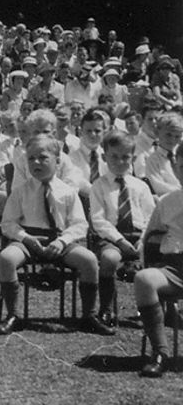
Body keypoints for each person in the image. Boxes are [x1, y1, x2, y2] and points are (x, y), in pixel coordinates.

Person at [0, 134, 114, 336]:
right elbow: (7, 223)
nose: (36, 163)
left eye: (42, 158)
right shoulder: (21, 191)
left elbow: (79, 224)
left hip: (59, 240)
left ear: (57, 162)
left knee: (89, 260)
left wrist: (62, 241)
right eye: (31, 159)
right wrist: (25, 238)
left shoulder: (67, 192)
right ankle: (13, 315)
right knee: (6, 258)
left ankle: (88, 316)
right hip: (28, 240)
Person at [89, 130, 155, 325]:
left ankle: (151, 309)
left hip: (140, 236)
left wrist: (144, 238)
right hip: (111, 239)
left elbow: (151, 216)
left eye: (125, 157)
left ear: (133, 158)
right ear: (104, 157)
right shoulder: (98, 186)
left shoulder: (140, 186)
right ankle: (107, 309)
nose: (120, 162)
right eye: (114, 157)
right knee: (110, 259)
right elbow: (99, 220)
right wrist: (120, 241)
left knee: (155, 257)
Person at [133, 174, 183, 377]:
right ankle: (160, 353)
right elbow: (150, 234)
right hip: (175, 267)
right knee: (144, 279)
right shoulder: (167, 201)